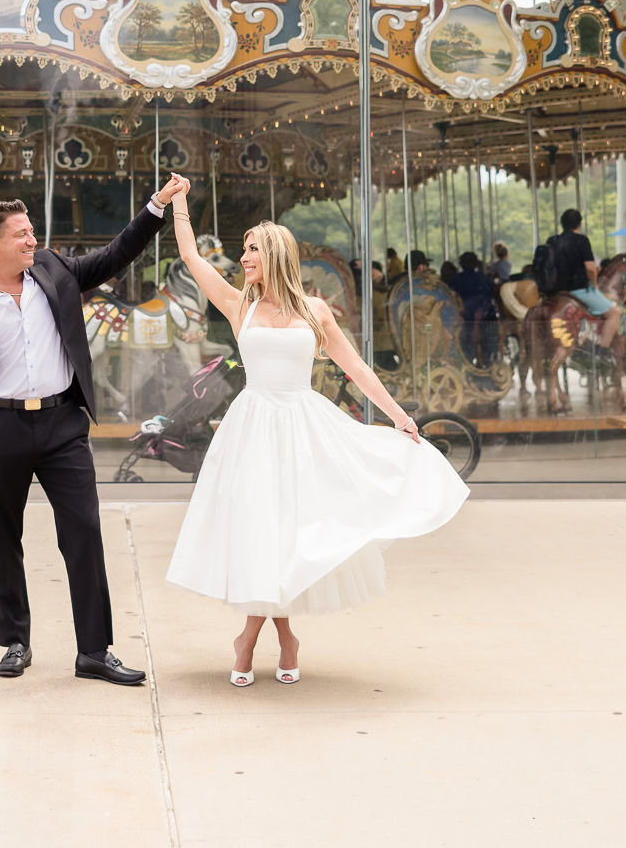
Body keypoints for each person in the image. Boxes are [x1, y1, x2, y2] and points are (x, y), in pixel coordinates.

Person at [162, 180, 468, 686]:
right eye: (242, 251)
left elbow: (358, 370)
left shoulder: (314, 311)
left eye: (252, 249)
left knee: (293, 535)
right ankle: (279, 639)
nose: (243, 258)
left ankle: (250, 640)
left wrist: (399, 417)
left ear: (277, 253)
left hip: (305, 428)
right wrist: (178, 203)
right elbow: (192, 255)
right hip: (253, 430)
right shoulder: (241, 306)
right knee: (265, 533)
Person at [0, 180, 180, 684]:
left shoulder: (56, 271)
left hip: (63, 425)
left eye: (32, 232)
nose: (32, 241)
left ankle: (94, 650)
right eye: (21, 234)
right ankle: (15, 643)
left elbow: (115, 254)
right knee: (4, 540)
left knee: (84, 534)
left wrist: (156, 208)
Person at [547, 209, 620, 349]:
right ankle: (602, 351)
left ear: (562, 224)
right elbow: (590, 268)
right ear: (579, 224)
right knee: (614, 314)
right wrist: (594, 284)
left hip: (556, 291)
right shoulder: (581, 240)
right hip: (578, 290)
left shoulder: (553, 241)